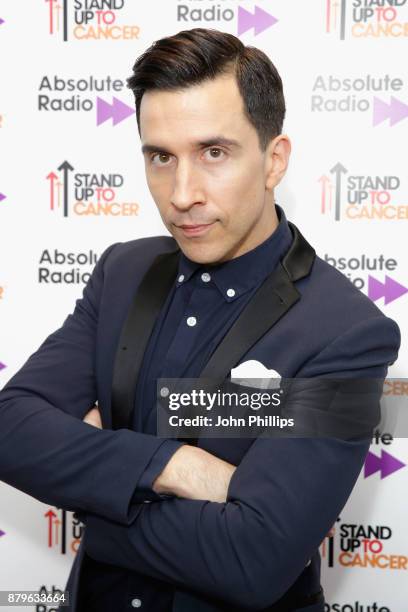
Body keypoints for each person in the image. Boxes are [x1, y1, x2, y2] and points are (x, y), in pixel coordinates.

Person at [0, 28, 400, 612]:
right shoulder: (123, 271)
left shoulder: (345, 331)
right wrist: (174, 466)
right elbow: (10, 428)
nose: (182, 193)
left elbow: (253, 560)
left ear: (274, 160)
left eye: (214, 153)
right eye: (161, 157)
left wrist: (93, 486)